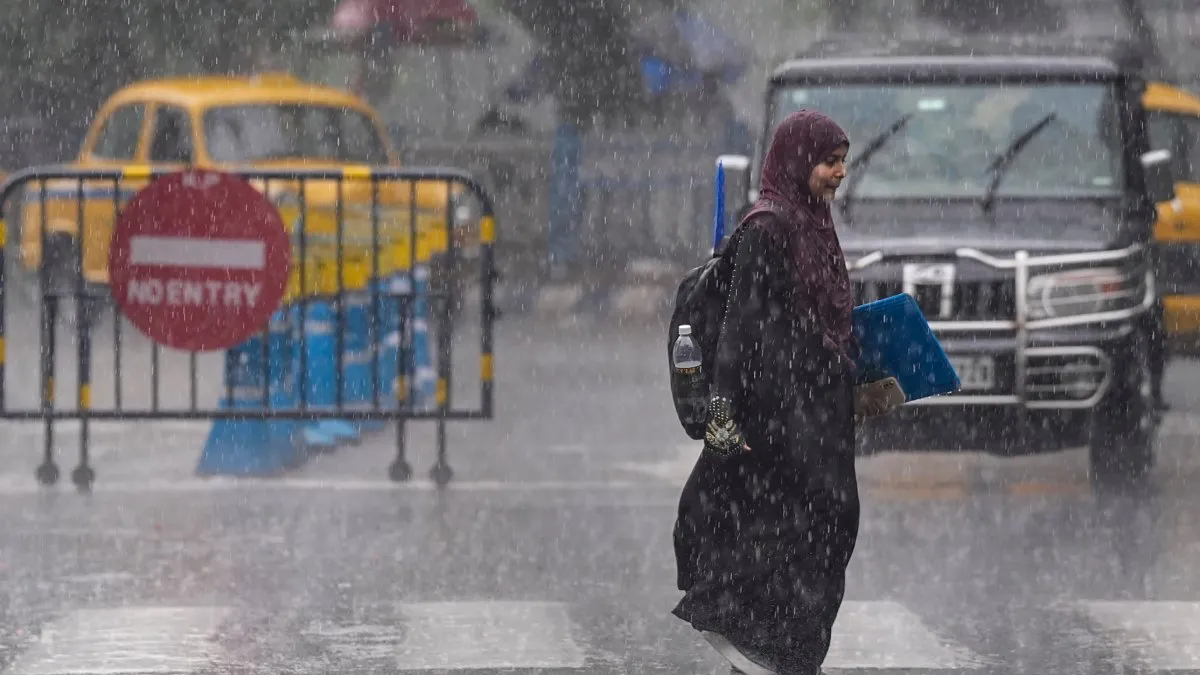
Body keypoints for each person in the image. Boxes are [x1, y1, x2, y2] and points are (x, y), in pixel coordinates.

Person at [671, 109, 900, 675]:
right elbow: (737, 330)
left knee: (827, 530)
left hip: (820, 415)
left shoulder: (813, 224)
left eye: (843, 161)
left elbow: (824, 320)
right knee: (781, 540)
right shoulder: (769, 229)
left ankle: (785, 657)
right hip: (778, 417)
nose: (839, 174)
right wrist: (724, 419)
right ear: (798, 163)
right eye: (828, 162)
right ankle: (769, 655)